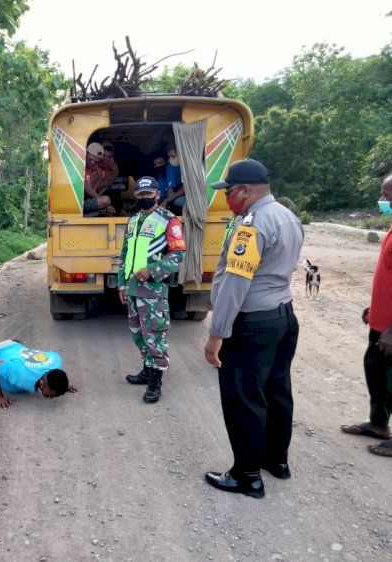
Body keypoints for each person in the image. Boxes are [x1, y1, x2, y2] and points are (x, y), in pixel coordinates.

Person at [203, 159, 303, 498]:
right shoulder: (288, 216)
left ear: (244, 191)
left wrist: (218, 332)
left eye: (229, 192)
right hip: (283, 317)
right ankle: (277, 461)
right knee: (276, 391)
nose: (226, 198)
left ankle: (246, 475)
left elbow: (235, 282)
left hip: (252, 324)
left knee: (243, 397)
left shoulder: (251, 224)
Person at [117, 177, 186, 404]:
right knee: (138, 334)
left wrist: (153, 271)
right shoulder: (134, 220)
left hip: (154, 290)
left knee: (155, 336)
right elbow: (125, 256)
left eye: (148, 194)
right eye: (140, 195)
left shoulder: (169, 220)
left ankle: (156, 382)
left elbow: (178, 256)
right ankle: (147, 370)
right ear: (136, 196)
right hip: (133, 290)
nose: (144, 198)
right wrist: (123, 284)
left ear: (157, 194)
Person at [340, 174, 392, 457]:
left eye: (387, 195)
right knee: (376, 372)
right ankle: (378, 424)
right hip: (381, 322)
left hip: (391, 329)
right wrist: (375, 309)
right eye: (383, 195)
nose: (384, 201)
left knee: (390, 379)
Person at [83, 142, 116, 216]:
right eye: (91, 159)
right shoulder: (81, 167)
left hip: (86, 200)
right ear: (86, 155)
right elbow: (87, 188)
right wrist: (106, 204)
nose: (92, 162)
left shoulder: (94, 171)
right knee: (105, 200)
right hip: (76, 203)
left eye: (95, 161)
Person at [159, 147, 185, 215]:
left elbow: (184, 189)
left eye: (173, 156)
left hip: (198, 197)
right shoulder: (174, 167)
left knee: (177, 201)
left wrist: (167, 200)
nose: (170, 159)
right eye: (169, 157)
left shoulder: (186, 167)